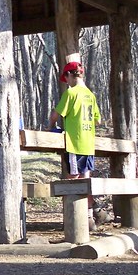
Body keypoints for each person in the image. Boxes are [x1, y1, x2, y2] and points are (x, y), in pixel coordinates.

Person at [48, 61, 105, 224]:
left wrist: (50, 127)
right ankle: (90, 216)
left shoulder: (71, 93)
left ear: (69, 76)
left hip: (75, 142)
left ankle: (76, 220)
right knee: (86, 179)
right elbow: (97, 120)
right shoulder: (90, 95)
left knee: (72, 180)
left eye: (66, 79)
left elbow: (56, 114)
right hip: (88, 143)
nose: (66, 82)